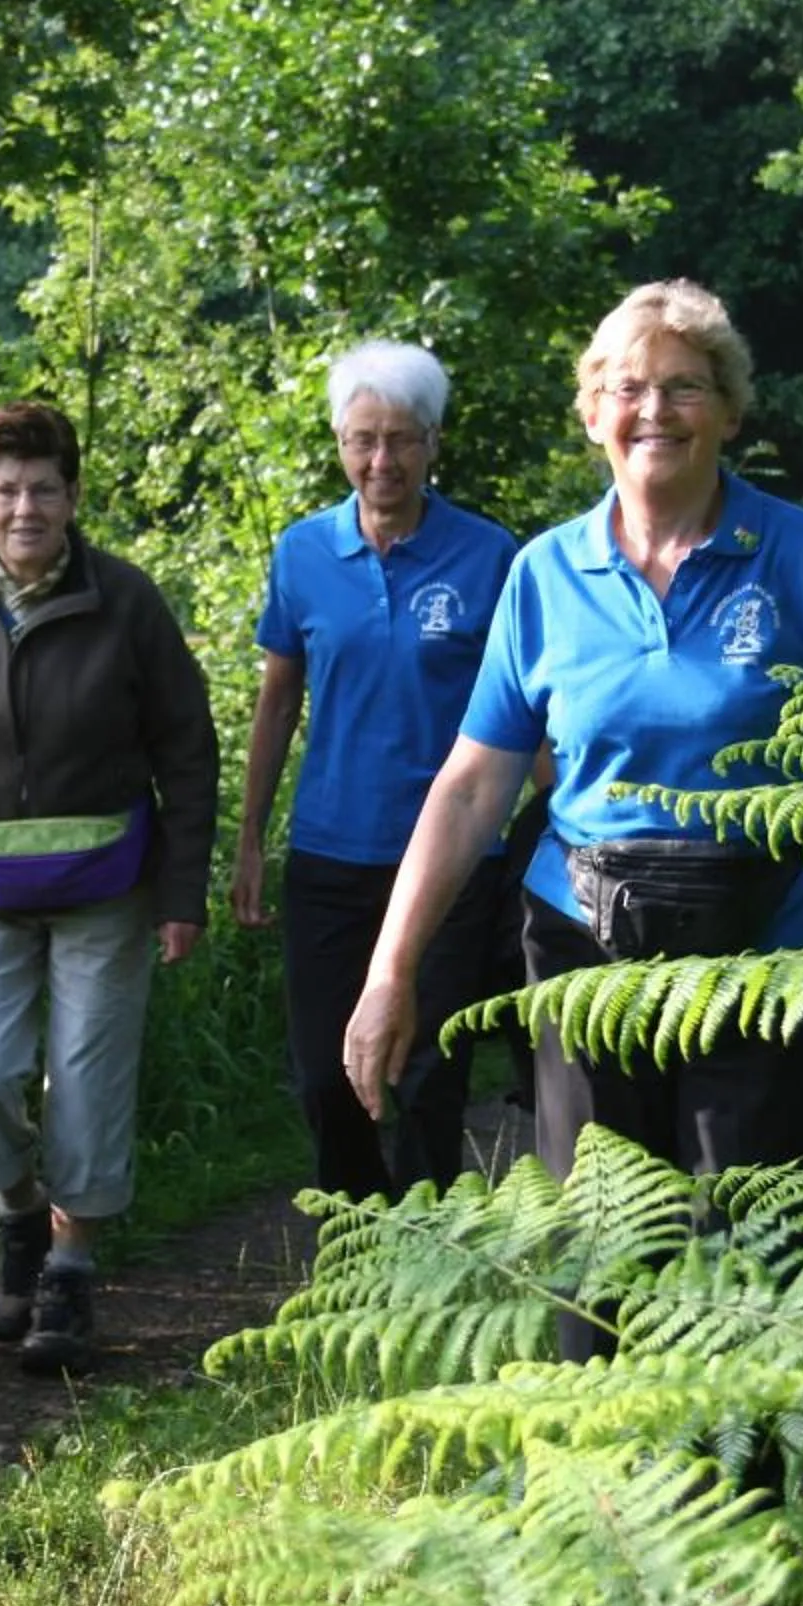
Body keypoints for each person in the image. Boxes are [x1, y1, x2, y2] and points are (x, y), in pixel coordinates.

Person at [342, 280, 803, 1359]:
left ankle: (740, 1487)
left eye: (685, 387)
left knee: (750, 1223)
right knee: (602, 1230)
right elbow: (472, 783)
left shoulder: (799, 555)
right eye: (629, 387)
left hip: (763, 951)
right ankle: (603, 1471)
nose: (656, 408)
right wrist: (389, 973)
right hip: (583, 943)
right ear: (593, 412)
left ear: (731, 411)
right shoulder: (545, 574)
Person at [0, 400, 219, 1374]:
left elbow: (187, 749)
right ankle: (19, 1217)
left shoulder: (128, 602)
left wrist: (183, 892)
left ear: (72, 497)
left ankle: (68, 1267)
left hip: (110, 884)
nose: (27, 506)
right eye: (7, 488)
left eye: (45, 487)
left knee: (87, 1078)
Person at [232, 341, 522, 1199]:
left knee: (430, 1075)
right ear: (338, 443)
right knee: (327, 1078)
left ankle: (428, 1245)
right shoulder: (303, 554)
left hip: (453, 860)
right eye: (363, 440)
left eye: (401, 439)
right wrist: (251, 838)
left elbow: (523, 710)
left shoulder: (490, 556)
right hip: (331, 851)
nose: (381, 461)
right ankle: (357, 1240)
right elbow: (278, 701)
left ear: (433, 443)